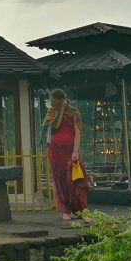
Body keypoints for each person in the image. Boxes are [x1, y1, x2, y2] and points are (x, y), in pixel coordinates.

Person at [42, 89, 91, 223]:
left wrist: (75, 151)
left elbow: (78, 132)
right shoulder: (52, 112)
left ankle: (82, 210)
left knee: (76, 179)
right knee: (60, 180)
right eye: (50, 101)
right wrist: (56, 113)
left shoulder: (74, 112)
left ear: (62, 100)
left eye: (54, 101)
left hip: (70, 150)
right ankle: (65, 210)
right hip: (55, 151)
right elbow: (51, 128)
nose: (52, 104)